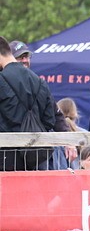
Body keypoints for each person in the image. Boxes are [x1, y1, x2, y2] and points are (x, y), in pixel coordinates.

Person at [0, 36, 57, 171]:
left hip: (7, 155)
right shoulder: (39, 81)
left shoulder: (2, 79)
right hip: (37, 154)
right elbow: (50, 120)